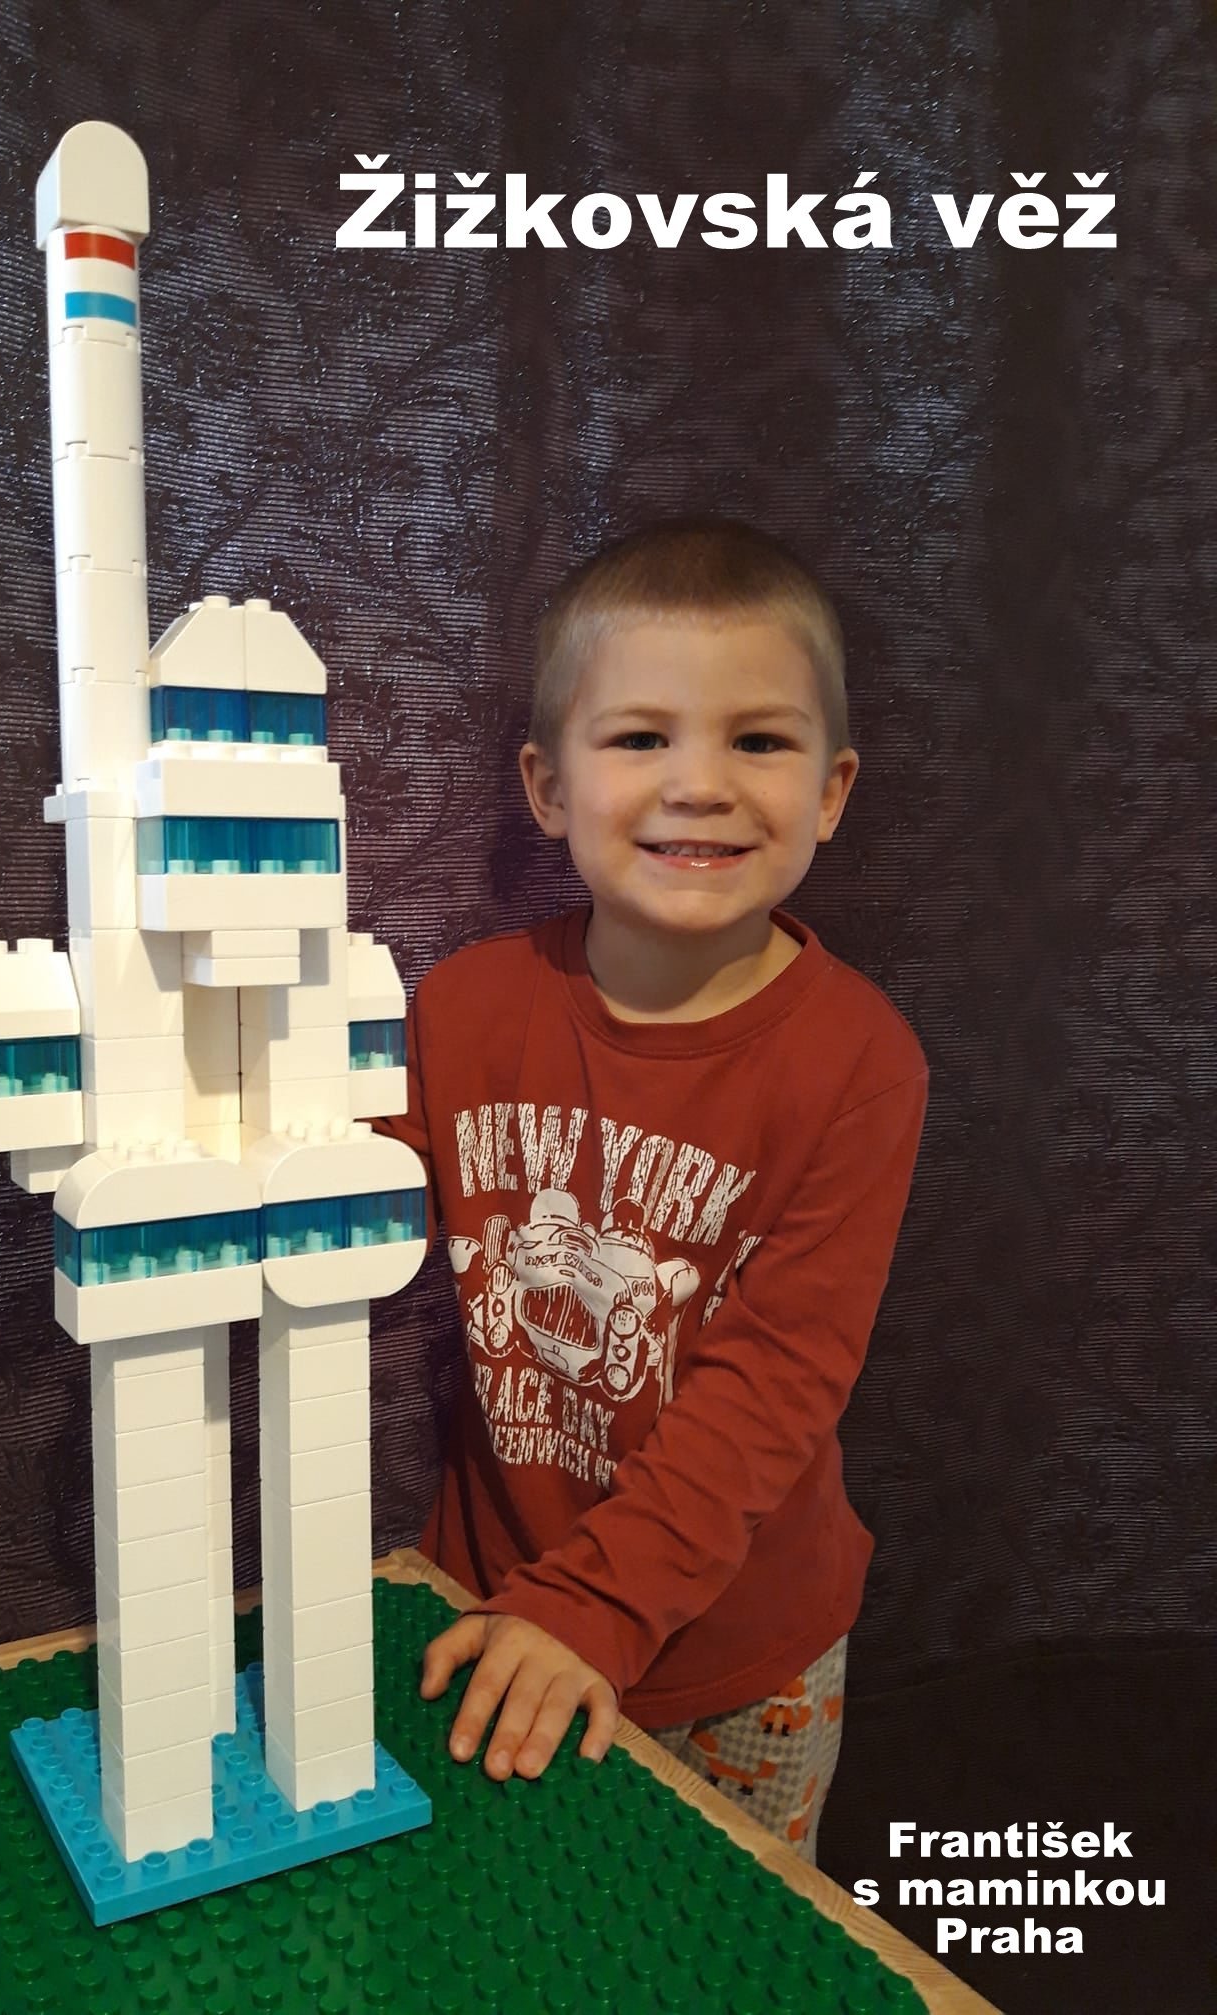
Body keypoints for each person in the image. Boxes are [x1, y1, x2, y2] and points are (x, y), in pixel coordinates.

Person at [374, 518, 928, 1861]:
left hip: (745, 1661)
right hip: (496, 1601)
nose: (699, 785)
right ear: (547, 786)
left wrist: (599, 1609)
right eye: (639, 738)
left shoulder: (861, 1063)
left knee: (722, 1944)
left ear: (832, 792)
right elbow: (348, 1217)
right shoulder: (462, 1008)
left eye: (759, 741)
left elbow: (777, 1386)